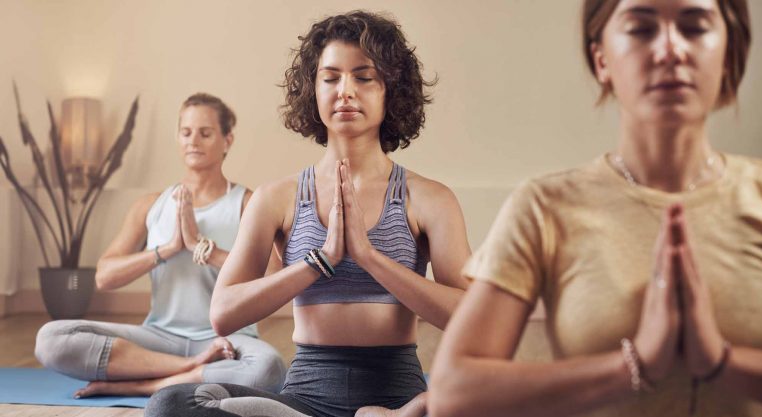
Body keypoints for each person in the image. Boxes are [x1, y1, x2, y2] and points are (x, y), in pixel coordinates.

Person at [429, 0, 762, 416]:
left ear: (729, 53)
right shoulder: (544, 207)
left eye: (694, 28)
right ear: (602, 59)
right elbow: (454, 393)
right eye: (641, 29)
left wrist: (718, 361)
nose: (669, 50)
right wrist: (637, 364)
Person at [146, 10, 471, 417]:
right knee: (171, 404)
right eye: (331, 77)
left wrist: (370, 258)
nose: (345, 90)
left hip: (398, 398)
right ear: (312, 90)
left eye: (364, 76)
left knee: (490, 396)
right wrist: (321, 261)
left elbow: (472, 317)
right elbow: (223, 314)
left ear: (390, 89)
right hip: (303, 403)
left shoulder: (429, 199)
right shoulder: (276, 198)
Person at [34, 93, 286, 398]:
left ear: (227, 140)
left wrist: (201, 247)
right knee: (52, 339)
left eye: (205, 133)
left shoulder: (248, 204)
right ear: (178, 138)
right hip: (159, 337)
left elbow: (272, 281)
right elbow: (104, 276)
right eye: (186, 132)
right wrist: (165, 250)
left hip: (228, 341)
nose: (194, 140)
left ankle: (148, 383)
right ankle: (190, 367)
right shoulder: (150, 205)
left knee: (269, 368)